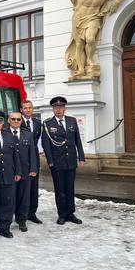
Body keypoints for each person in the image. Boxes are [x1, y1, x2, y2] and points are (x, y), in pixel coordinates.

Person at [65, 0, 131, 79]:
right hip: (79, 15)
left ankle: (90, 59)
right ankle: (80, 69)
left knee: (90, 39)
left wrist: (116, 2)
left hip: (94, 15)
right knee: (79, 44)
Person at [42, 96, 85, 225]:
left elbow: (78, 140)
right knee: (60, 189)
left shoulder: (72, 121)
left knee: (70, 188)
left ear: (64, 108)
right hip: (57, 162)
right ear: (53, 109)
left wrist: (81, 157)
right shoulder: (48, 123)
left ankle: (70, 213)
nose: (58, 110)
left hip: (71, 160)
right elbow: (46, 144)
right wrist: (50, 161)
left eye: (60, 107)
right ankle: (61, 214)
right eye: (56, 107)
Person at [0, 110, 21, 238]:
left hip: (8, 174)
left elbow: (15, 155)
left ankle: (4, 227)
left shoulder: (8, 136)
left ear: (3, 123)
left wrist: (18, 171)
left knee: (8, 203)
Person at [4, 112, 37, 232]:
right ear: (8, 120)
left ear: (21, 121)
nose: (16, 121)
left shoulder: (27, 134)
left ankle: (22, 220)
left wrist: (33, 169)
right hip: (9, 171)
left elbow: (32, 153)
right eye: (13, 119)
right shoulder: (3, 133)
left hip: (25, 171)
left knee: (24, 197)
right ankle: (6, 221)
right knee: (10, 198)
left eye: (18, 119)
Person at [20, 100, 43, 224]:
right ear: (21, 110)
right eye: (25, 108)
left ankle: (32, 213)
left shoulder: (38, 123)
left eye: (30, 108)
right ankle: (21, 214)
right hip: (22, 159)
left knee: (34, 187)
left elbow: (40, 140)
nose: (28, 110)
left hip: (34, 158)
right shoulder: (17, 122)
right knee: (23, 188)